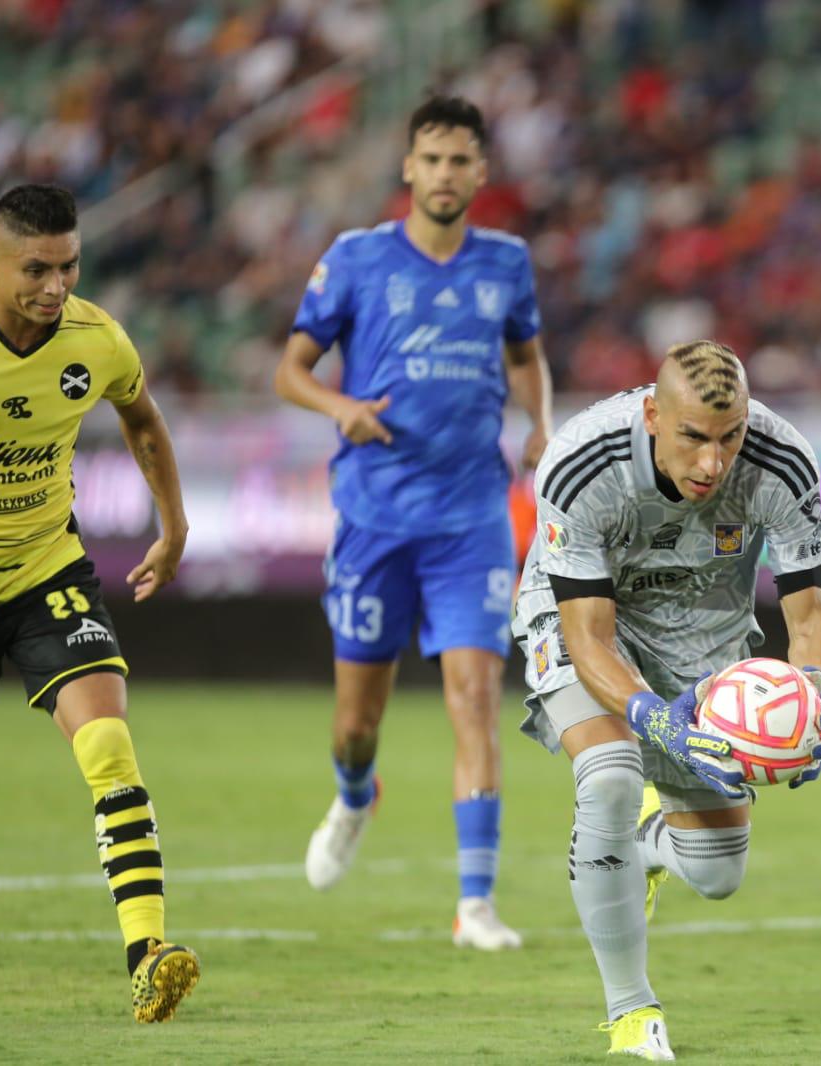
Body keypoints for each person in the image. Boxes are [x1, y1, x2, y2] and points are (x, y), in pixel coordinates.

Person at [0, 184, 198, 1021]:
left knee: (108, 742)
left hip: (46, 570)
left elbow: (142, 421)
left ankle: (149, 953)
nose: (56, 286)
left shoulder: (96, 339)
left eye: (69, 266)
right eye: (36, 269)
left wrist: (173, 526)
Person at [514, 341, 821, 1060]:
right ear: (653, 414)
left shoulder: (784, 462)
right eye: (693, 437)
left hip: (704, 631)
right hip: (588, 617)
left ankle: (644, 845)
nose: (713, 463)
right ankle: (631, 1012)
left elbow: (810, 619)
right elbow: (590, 640)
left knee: (719, 875)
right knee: (609, 775)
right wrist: (654, 722)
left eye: (731, 438)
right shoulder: (581, 462)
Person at [275, 94, 552, 950]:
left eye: (460, 160)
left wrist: (541, 422)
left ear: (481, 171)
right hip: (374, 515)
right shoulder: (357, 259)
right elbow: (289, 370)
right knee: (359, 722)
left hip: (471, 516)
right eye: (431, 159)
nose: (445, 174)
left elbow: (527, 355)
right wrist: (340, 405)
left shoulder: (507, 263)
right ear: (408, 167)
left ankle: (475, 906)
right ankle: (357, 794)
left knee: (474, 697)